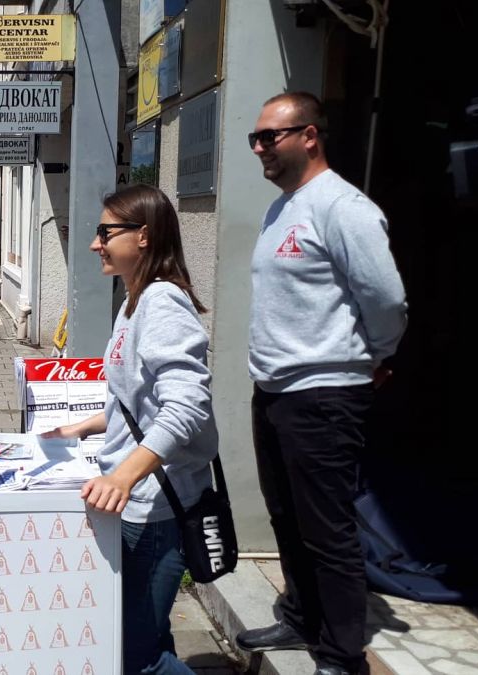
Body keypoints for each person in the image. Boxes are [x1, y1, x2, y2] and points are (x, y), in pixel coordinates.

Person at [236, 92, 407, 675]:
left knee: (327, 530)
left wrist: (375, 357)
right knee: (286, 514)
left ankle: (341, 654)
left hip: (325, 394)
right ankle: (301, 615)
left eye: (270, 137)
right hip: (276, 391)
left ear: (309, 136)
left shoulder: (344, 207)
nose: (259, 147)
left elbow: (386, 299)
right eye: (255, 138)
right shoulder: (282, 207)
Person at [42, 184, 217, 675]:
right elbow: (138, 402)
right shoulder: (133, 300)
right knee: (150, 635)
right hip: (140, 500)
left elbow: (187, 407)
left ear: (143, 236)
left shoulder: (161, 302)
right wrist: (82, 427)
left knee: (135, 657)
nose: (96, 243)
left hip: (157, 506)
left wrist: (125, 477)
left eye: (105, 232)